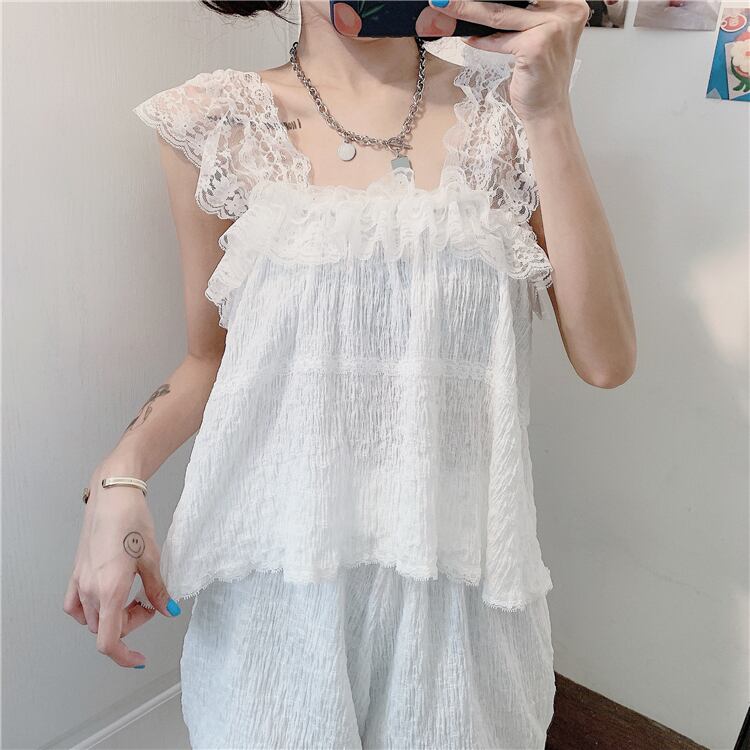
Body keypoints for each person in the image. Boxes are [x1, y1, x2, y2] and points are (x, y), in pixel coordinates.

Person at [63, 1, 636, 747]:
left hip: (460, 587)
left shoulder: (511, 112)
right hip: (278, 582)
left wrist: (550, 111)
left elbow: (606, 359)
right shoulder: (215, 123)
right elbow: (212, 357)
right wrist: (119, 477)